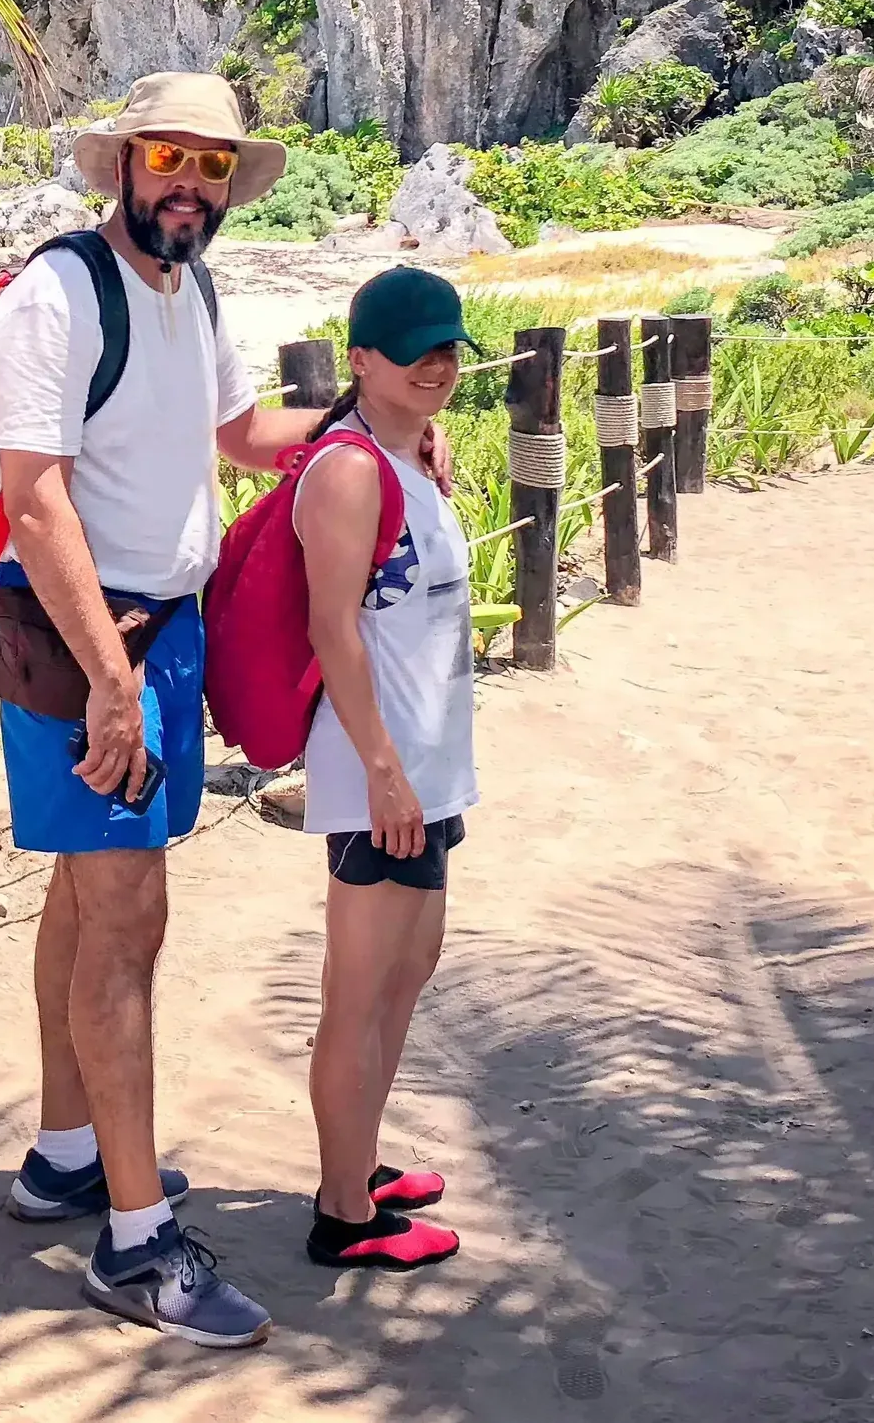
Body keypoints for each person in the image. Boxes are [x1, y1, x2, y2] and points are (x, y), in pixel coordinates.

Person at [0, 73, 324, 1349]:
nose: (190, 183)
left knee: (89, 899)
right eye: (168, 156)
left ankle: (68, 1155)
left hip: (161, 637)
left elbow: (240, 433)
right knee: (129, 921)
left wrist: (368, 422)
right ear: (122, 164)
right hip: (86, 650)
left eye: (212, 165)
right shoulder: (57, 297)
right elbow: (32, 496)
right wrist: (112, 686)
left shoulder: (193, 290)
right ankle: (135, 1243)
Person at [293, 268, 480, 1272]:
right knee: (358, 994)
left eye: (446, 347)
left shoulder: (411, 454)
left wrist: (418, 773)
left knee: (408, 974)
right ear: (361, 359)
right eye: (414, 351)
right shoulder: (349, 472)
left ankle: (359, 1162)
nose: (436, 365)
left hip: (429, 765)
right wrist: (383, 771)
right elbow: (333, 629)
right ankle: (342, 1212)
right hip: (382, 772)